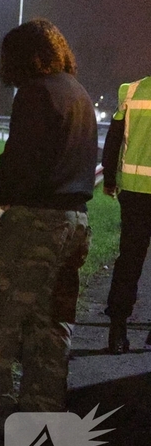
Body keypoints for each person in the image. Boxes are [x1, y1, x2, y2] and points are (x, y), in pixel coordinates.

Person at [0, 19, 97, 434]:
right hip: (76, 222)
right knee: (50, 320)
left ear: (24, 57)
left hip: (35, 221)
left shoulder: (35, 94)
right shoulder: (79, 93)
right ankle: (43, 409)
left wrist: (0, 192)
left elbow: (18, 163)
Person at [101, 75, 151, 354]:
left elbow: (114, 138)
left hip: (133, 192)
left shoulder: (130, 91)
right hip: (135, 193)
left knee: (129, 260)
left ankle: (117, 332)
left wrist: (110, 178)